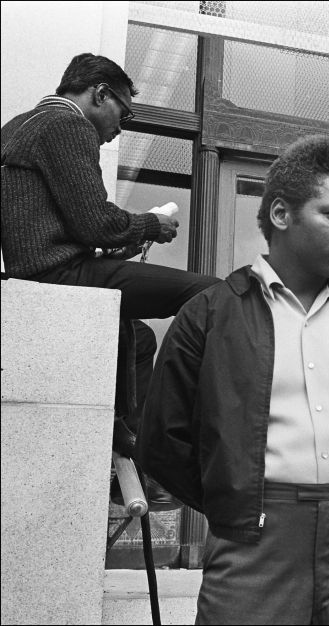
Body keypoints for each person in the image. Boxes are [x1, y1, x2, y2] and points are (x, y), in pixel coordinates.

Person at [135, 135, 329, 624]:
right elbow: (162, 440)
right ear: (280, 214)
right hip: (250, 543)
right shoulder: (211, 314)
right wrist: (236, 495)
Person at [0, 53, 219, 467]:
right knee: (212, 293)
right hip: (60, 275)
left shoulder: (17, 126)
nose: (121, 128)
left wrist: (113, 246)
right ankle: (184, 429)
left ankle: (123, 429)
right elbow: (97, 223)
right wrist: (151, 225)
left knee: (140, 340)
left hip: (34, 273)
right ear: (101, 94)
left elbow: (64, 224)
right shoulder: (68, 125)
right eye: (125, 113)